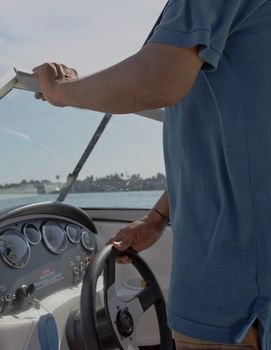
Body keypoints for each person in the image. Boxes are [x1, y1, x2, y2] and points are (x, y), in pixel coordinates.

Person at [33, 1, 271, 349]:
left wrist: (60, 91)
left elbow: (157, 79)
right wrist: (157, 218)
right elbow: (229, 145)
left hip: (231, 298)